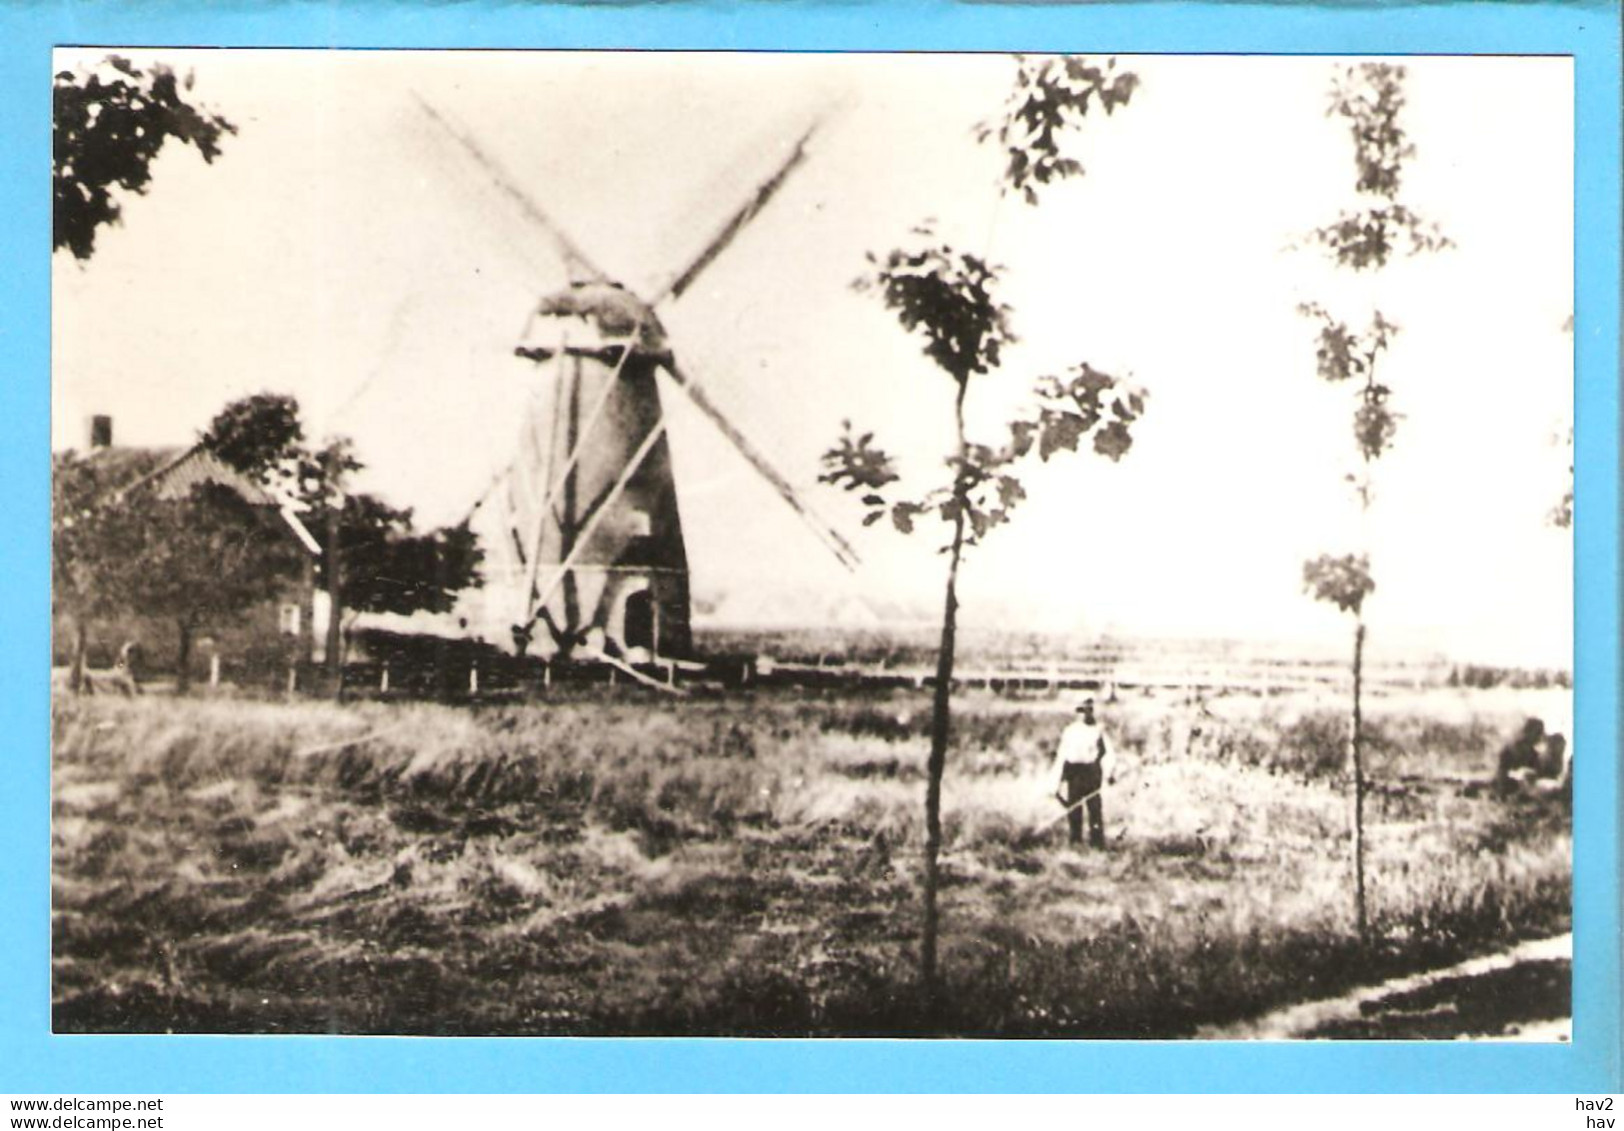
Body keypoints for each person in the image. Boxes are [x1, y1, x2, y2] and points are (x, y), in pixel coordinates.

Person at [1049, 696, 1113, 848]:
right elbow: (1062, 756)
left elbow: (1107, 752)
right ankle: (1075, 842)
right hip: (1074, 772)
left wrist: (1109, 772)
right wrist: (1055, 783)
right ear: (1076, 712)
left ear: (1092, 711)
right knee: (1074, 810)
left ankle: (1097, 844)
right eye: (1081, 710)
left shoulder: (1098, 730)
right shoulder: (1070, 731)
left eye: (1087, 710)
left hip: (1091, 772)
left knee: (1094, 810)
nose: (1084, 714)